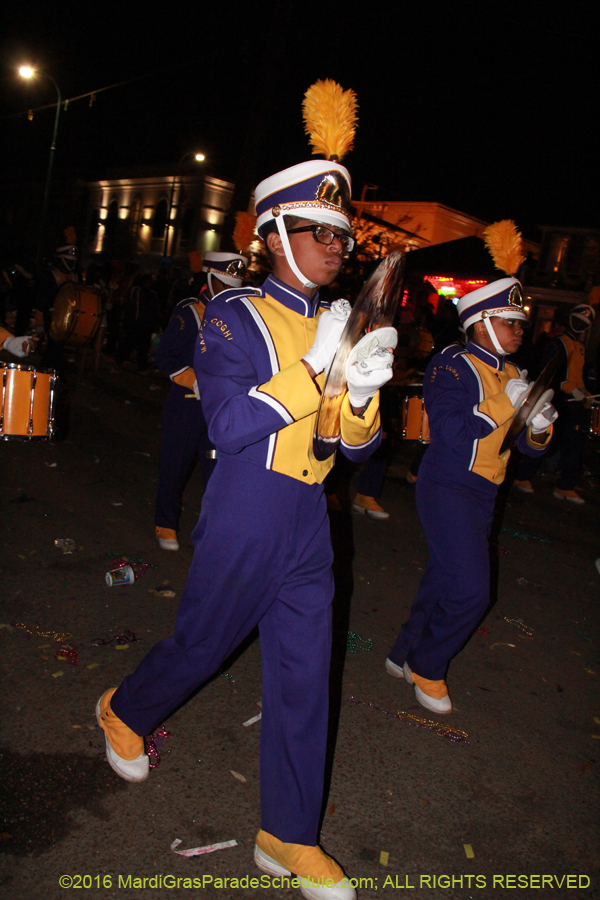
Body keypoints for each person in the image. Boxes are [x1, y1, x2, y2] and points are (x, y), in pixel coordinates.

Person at [96, 157, 395, 900]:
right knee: (203, 645)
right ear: (272, 235)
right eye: (315, 231)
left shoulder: (334, 322)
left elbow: (353, 448)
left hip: (309, 520)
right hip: (246, 509)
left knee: (305, 680)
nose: (334, 246)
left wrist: (358, 389)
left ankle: (287, 835)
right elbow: (228, 425)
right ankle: (123, 707)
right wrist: (316, 364)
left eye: (339, 235)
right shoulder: (235, 316)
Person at [386, 277, 556, 715]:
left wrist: (539, 427)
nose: (521, 331)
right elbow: (451, 433)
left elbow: (521, 447)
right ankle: (427, 665)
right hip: (447, 485)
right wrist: (505, 403)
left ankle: (405, 651)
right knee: (472, 591)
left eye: (521, 323)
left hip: (484, 491)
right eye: (511, 322)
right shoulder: (452, 363)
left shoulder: (515, 373)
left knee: (445, 577)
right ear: (481, 324)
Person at [154, 251, 248, 551]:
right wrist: (196, 380)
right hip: (187, 404)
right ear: (208, 279)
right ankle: (165, 523)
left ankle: (214, 529)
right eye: (223, 284)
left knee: (217, 470)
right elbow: (165, 357)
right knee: (175, 464)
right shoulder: (188, 312)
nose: (228, 292)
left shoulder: (239, 315)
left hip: (219, 409)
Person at [514, 303, 595, 504]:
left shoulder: (580, 346)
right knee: (544, 438)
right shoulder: (557, 342)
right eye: (577, 320)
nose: (579, 325)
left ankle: (565, 485)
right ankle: (522, 476)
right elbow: (548, 372)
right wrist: (570, 388)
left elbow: (577, 375)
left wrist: (584, 391)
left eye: (584, 323)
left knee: (573, 445)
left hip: (573, 403)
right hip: (558, 399)